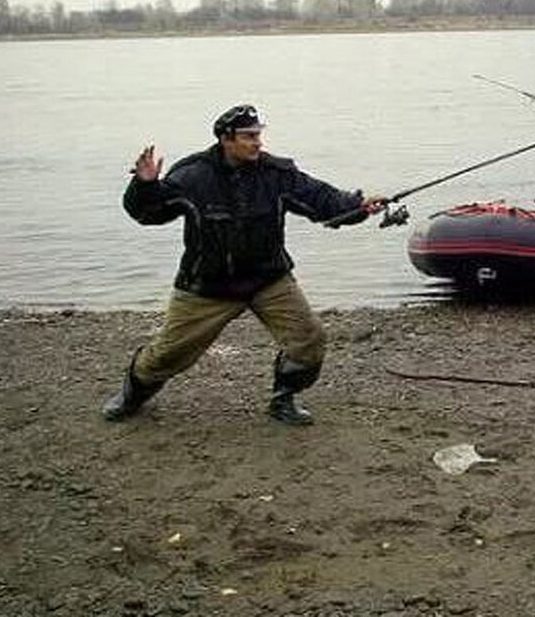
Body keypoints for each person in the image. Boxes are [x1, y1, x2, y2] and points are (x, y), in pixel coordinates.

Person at [102, 104, 387, 426]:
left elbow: (321, 199)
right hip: (207, 285)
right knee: (168, 355)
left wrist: (358, 206)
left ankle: (284, 399)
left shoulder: (277, 174)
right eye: (249, 137)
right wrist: (145, 186)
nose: (257, 143)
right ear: (226, 138)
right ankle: (131, 395)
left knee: (309, 340)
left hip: (268, 279)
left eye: (258, 135)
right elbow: (148, 213)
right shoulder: (194, 175)